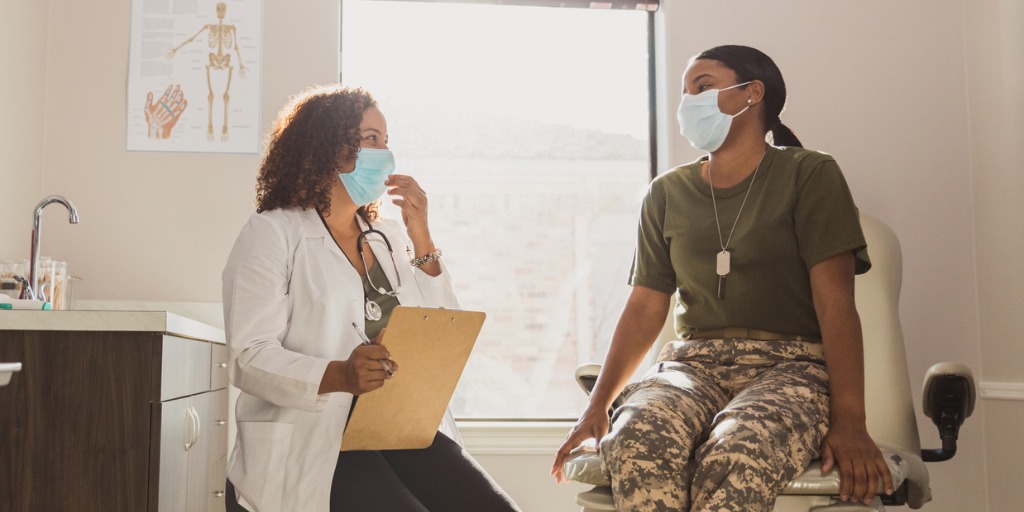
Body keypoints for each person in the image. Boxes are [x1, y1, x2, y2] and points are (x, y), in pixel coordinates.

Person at [551, 45, 893, 511]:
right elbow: (645, 305)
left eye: (703, 86)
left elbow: (836, 304)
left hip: (789, 366)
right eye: (685, 92)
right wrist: (596, 409)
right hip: (692, 366)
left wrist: (851, 419)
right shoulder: (665, 193)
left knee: (737, 449)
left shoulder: (809, 174)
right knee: (636, 436)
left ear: (753, 94)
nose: (688, 102)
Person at [222, 84, 521, 512]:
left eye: (387, 140)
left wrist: (421, 233)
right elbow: (247, 356)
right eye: (371, 140)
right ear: (326, 147)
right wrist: (339, 375)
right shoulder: (273, 233)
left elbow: (444, 328)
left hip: (394, 424)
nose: (385, 153)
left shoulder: (387, 238)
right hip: (317, 436)